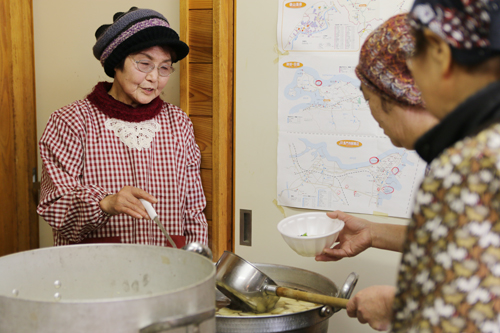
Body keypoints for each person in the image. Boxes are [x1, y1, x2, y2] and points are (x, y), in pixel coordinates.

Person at [37, 7, 208, 248]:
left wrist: (197, 260)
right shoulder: (71, 121)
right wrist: (106, 202)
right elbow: (55, 204)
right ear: (116, 63)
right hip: (99, 269)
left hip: (170, 267)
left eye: (164, 67)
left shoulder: (178, 122)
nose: (154, 78)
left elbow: (194, 209)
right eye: (144, 64)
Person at [314, 14, 439, 331]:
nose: (373, 117)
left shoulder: (475, 158)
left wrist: (403, 306)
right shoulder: (450, 152)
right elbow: (466, 244)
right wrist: (374, 233)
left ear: (395, 93)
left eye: (368, 98)